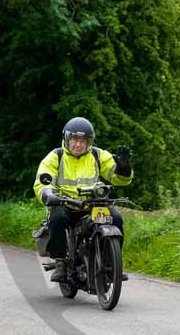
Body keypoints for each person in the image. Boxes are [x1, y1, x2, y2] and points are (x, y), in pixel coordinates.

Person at [33, 117, 133, 283]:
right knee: (57, 219)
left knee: (116, 218)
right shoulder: (55, 156)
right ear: (67, 139)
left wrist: (124, 167)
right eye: (74, 140)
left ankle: (111, 263)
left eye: (83, 141)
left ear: (89, 142)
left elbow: (119, 179)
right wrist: (49, 195)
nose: (78, 145)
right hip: (65, 203)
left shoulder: (97, 155)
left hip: (93, 204)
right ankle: (61, 262)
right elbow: (42, 181)